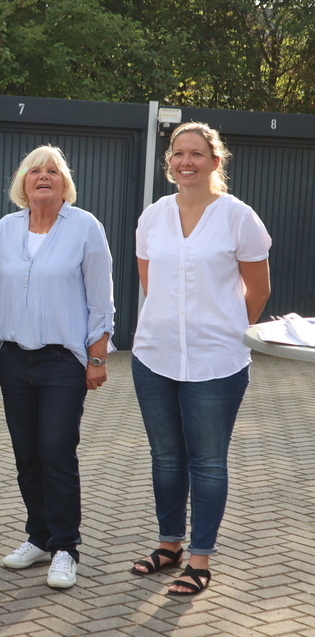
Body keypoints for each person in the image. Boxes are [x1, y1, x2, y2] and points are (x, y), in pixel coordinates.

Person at [129, 122, 271, 595]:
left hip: (217, 362)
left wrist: (226, 327)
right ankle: (169, 546)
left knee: (207, 462)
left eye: (196, 153)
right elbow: (151, 286)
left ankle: (199, 559)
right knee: (166, 458)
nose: (185, 161)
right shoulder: (152, 217)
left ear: (215, 160)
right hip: (154, 355)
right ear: (168, 162)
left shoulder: (238, 217)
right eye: (177, 153)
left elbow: (259, 290)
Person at [0, 145, 114, 589]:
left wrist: (97, 358)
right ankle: (38, 538)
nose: (43, 176)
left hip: (63, 362)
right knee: (26, 455)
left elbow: (101, 301)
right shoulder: (5, 228)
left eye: (52, 171)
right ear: (22, 181)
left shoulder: (85, 228)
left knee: (56, 452)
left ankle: (65, 548)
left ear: (64, 182)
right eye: (35, 170)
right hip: (14, 358)